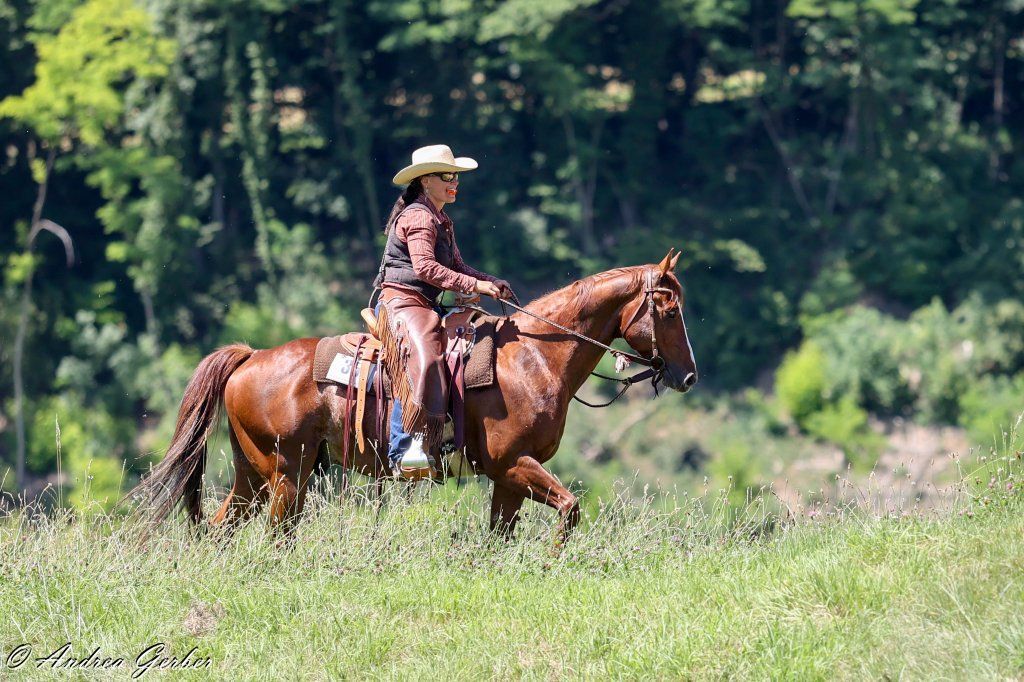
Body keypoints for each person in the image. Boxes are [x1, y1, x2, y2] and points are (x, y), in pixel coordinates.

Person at [373, 144, 513, 475]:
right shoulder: (419, 217)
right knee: (428, 356)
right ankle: (403, 446)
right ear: (425, 181)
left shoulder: (440, 218)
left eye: (456, 176)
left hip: (425, 302)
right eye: (447, 176)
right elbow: (425, 269)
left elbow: (458, 266)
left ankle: (447, 439)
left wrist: (490, 281)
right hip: (402, 300)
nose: (455, 182)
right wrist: (476, 287)